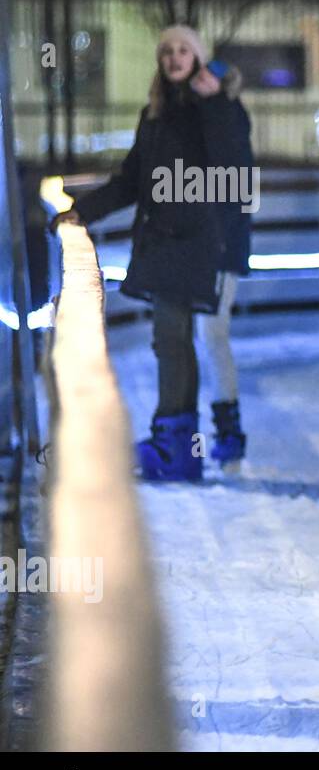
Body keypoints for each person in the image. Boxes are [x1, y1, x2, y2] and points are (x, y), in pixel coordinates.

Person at [52, 25, 253, 480]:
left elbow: (235, 167)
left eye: (184, 50)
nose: (174, 57)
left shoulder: (220, 107)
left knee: (175, 340)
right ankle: (176, 446)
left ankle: (175, 445)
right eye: (166, 51)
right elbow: (131, 178)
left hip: (197, 241)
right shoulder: (155, 113)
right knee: (171, 341)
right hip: (164, 240)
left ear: (199, 58)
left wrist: (216, 102)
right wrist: (83, 212)